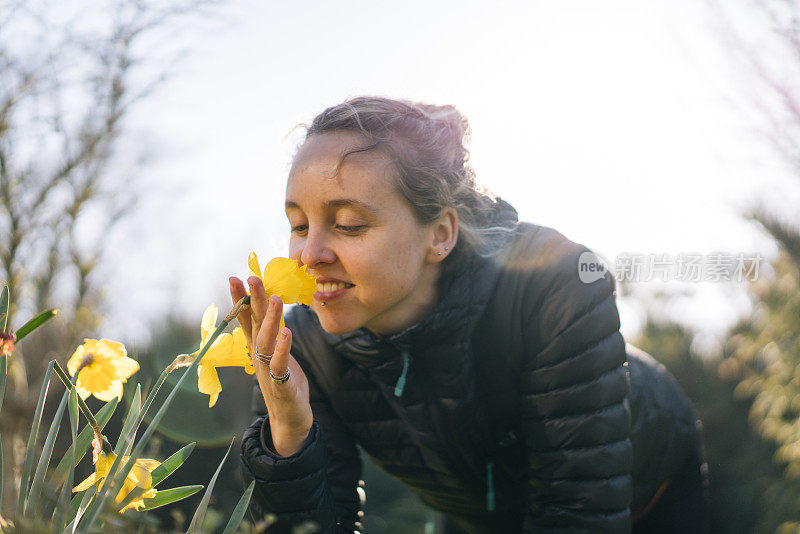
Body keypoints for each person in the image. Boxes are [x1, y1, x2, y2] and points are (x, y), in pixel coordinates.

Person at [231, 96, 707, 533]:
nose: (308, 254)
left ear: (439, 233)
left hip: (650, 490)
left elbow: (577, 511)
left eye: (349, 224)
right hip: (475, 515)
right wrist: (290, 439)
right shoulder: (299, 349)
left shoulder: (554, 284)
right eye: (298, 224)